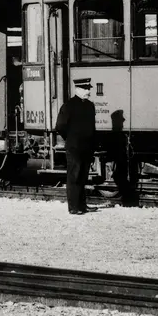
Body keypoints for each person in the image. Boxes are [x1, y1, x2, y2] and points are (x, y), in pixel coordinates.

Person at [54, 77, 96, 215]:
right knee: (74, 177)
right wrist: (70, 138)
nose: (88, 91)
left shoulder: (90, 105)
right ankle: (73, 207)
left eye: (88, 89)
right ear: (77, 89)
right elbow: (60, 126)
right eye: (85, 89)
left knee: (83, 177)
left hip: (87, 147)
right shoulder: (68, 106)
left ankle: (82, 206)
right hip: (74, 147)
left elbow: (92, 127)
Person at [107, 109, 138, 207]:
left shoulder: (118, 134)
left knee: (122, 176)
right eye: (121, 119)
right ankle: (127, 201)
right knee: (121, 176)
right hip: (120, 160)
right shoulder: (117, 135)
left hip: (120, 160)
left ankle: (126, 199)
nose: (124, 120)